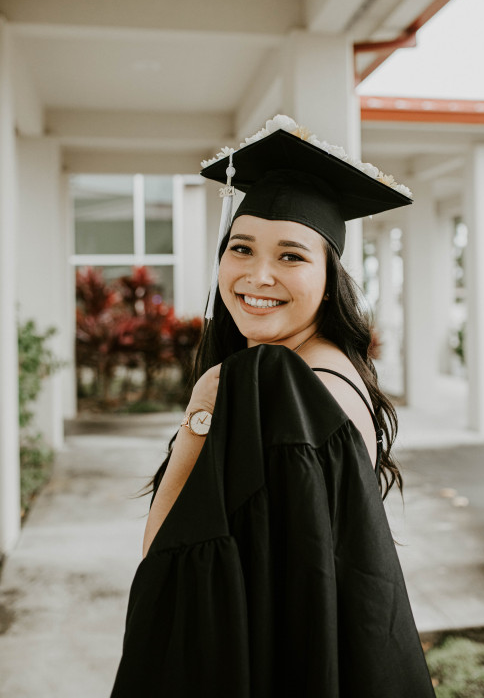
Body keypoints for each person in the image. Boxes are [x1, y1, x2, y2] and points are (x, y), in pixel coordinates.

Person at [110, 116, 436, 697]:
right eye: (241, 248)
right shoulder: (333, 367)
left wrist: (205, 404)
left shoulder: (275, 384)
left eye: (291, 256)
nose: (257, 275)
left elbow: (174, 558)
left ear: (330, 278)